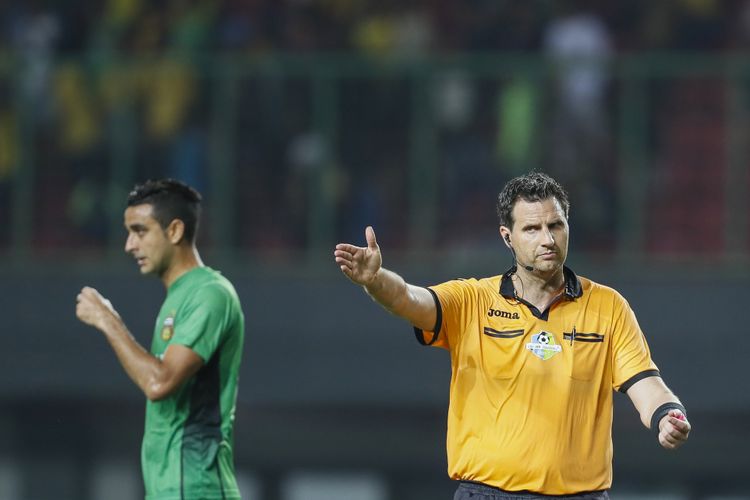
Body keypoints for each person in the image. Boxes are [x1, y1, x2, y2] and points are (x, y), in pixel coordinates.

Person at [333, 172, 690, 499]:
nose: (547, 239)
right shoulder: (471, 300)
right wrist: (376, 280)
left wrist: (667, 415)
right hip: (488, 494)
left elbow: (645, 383)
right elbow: (408, 298)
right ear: (508, 236)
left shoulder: (608, 307)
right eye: (532, 229)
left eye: (556, 225)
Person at [76, 178, 245, 500]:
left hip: (196, 488)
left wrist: (107, 320)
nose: (129, 245)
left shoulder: (210, 294)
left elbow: (160, 383)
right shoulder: (180, 297)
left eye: (140, 231)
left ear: (175, 231)